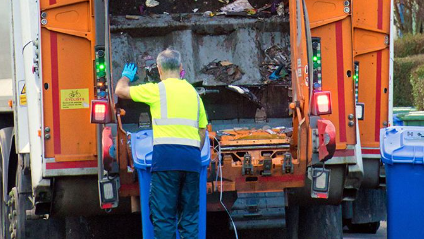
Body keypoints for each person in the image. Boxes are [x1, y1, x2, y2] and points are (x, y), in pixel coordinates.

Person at [115, 49, 207, 239]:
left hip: (165, 161)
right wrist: (192, 152)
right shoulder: (193, 93)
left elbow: (120, 91)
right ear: (181, 68)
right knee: (189, 218)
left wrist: (125, 77)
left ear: (158, 69)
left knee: (164, 218)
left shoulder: (156, 90)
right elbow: (202, 130)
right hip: (191, 161)